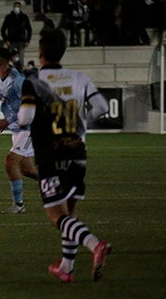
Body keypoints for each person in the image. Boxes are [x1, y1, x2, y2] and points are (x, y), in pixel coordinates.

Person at [18, 29, 111, 283]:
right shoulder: (79, 77)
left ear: (40, 54)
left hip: (50, 154)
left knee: (56, 216)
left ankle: (95, 245)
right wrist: (82, 123)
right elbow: (102, 107)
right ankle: (67, 268)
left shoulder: (34, 81)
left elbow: (25, 118)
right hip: (78, 152)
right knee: (70, 212)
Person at [0, 46, 39, 214]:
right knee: (27, 169)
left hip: (28, 127)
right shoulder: (1, 79)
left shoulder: (18, 81)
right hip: (18, 129)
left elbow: (30, 105)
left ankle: (18, 206)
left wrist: (8, 120)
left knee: (10, 162)